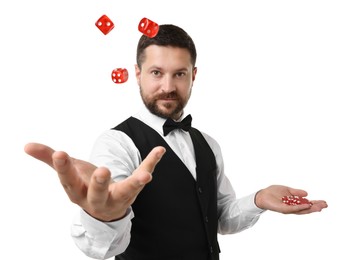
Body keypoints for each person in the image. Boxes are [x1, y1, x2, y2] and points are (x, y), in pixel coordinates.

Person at [24, 24, 328, 260]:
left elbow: (221, 218)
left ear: (193, 75)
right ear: (138, 74)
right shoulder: (116, 143)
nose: (167, 87)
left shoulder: (207, 143)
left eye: (179, 74)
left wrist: (259, 199)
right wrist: (105, 216)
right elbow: (105, 245)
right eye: (156, 73)